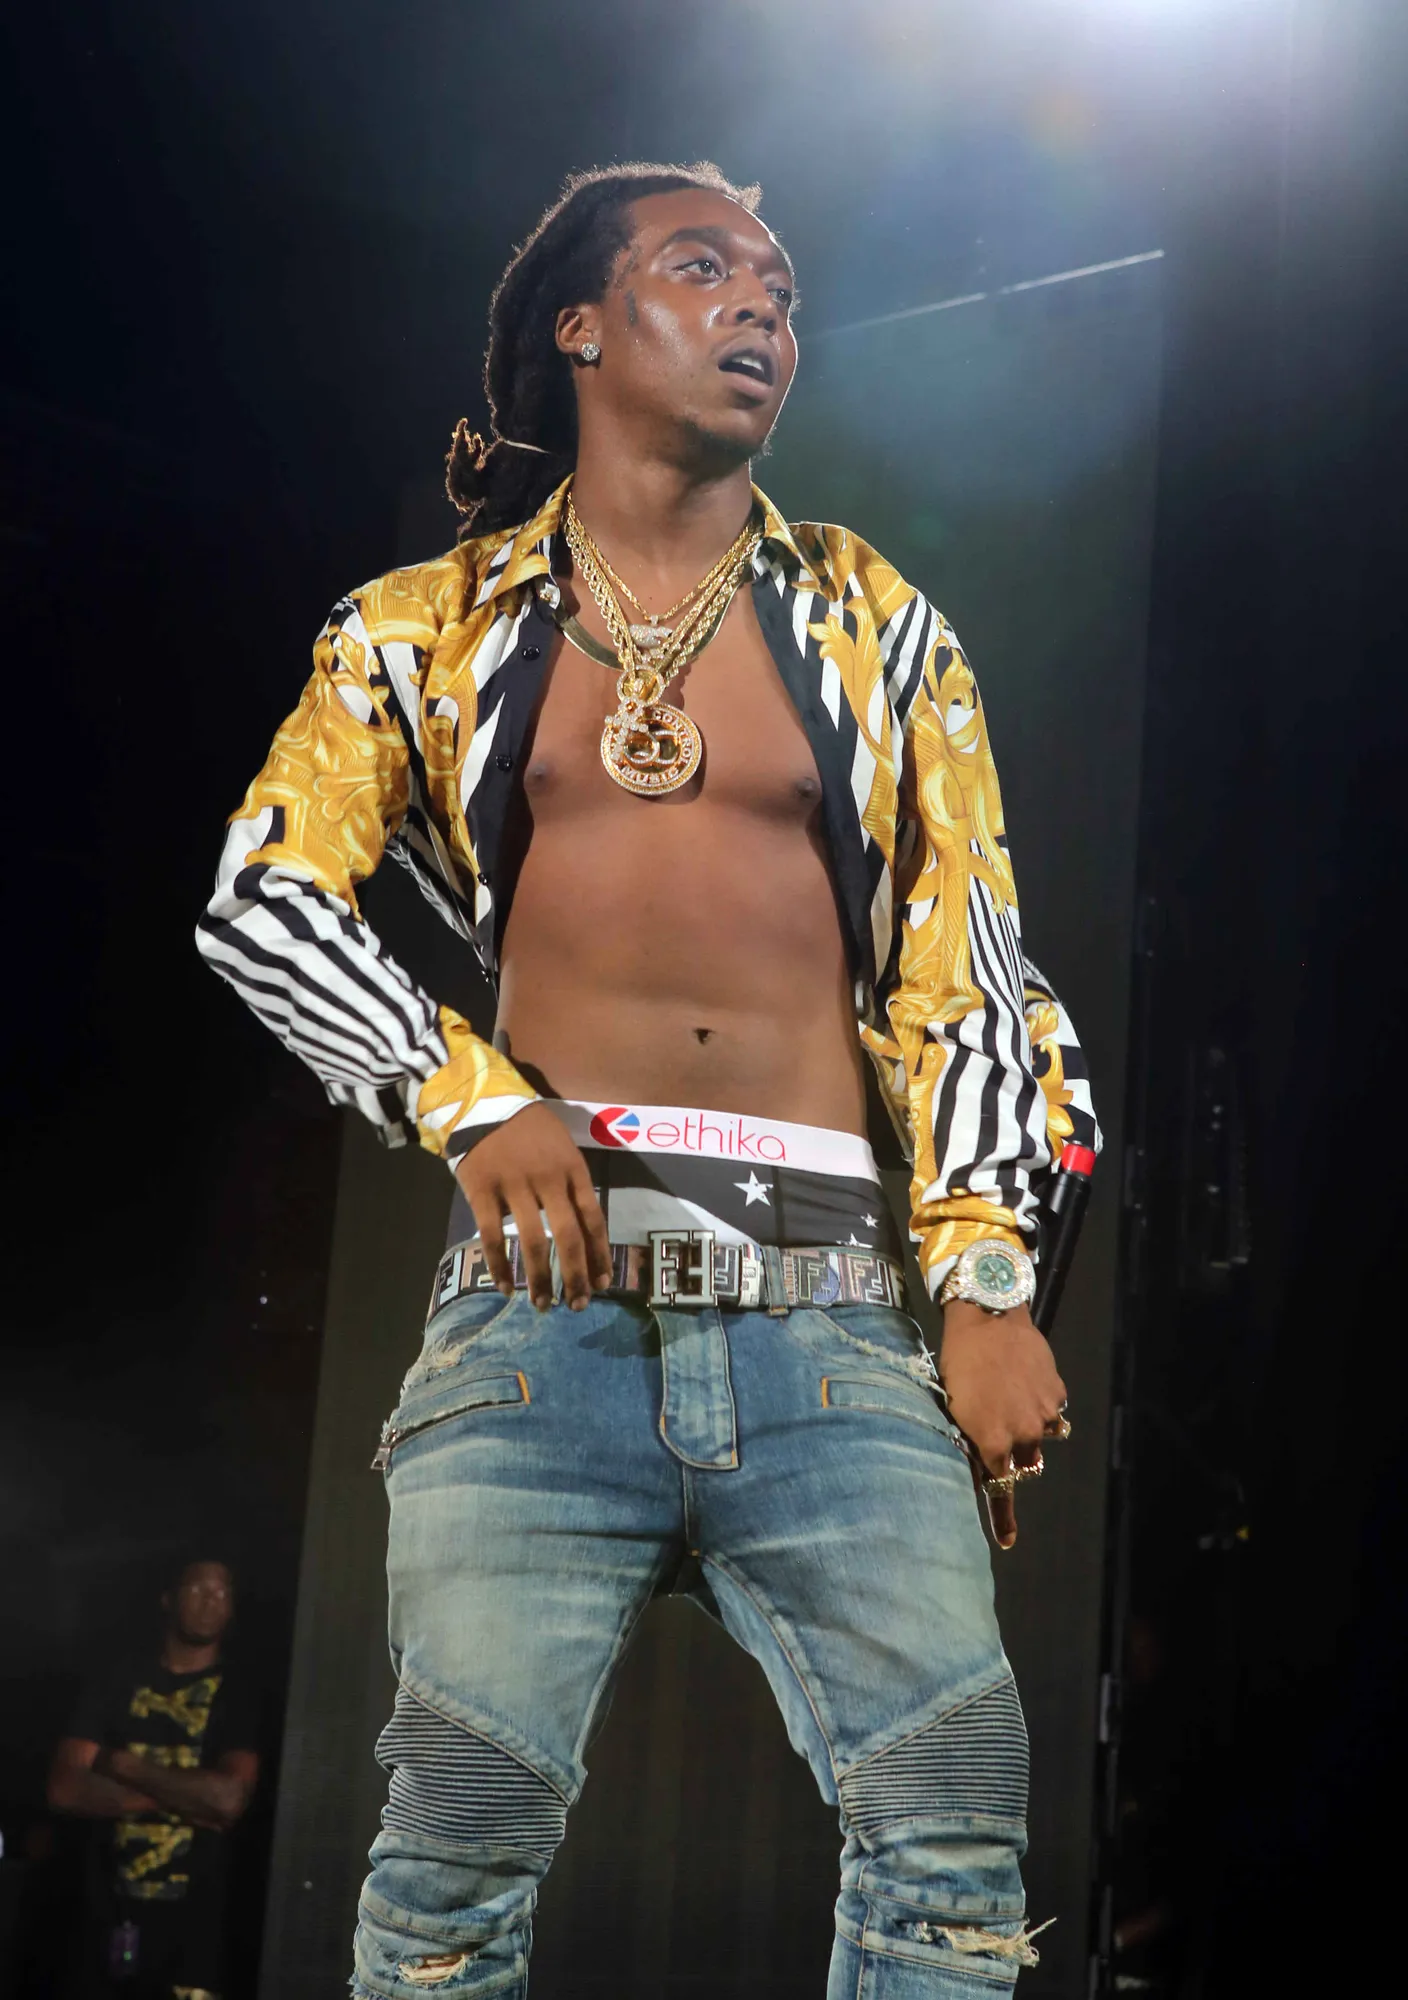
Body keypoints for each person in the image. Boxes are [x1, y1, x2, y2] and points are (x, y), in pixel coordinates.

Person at [197, 160, 1100, 1995]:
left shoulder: (877, 621)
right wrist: (462, 1095)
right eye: (704, 269)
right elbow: (261, 895)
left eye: (780, 287)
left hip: (834, 1320)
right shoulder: (426, 624)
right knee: (450, 1857)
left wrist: (990, 1281)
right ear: (584, 325)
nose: (761, 304)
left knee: (953, 1833)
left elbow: (973, 963)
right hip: (542, 1323)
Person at [48, 1559, 259, 2000]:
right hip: (102, 1919)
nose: (211, 1601)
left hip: (194, 1936)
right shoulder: (117, 1680)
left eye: (222, 1593)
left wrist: (124, 1765)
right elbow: (65, 1788)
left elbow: (228, 1801)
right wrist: (187, 1796)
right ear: (169, 1598)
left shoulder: (239, 1693)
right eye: (199, 1588)